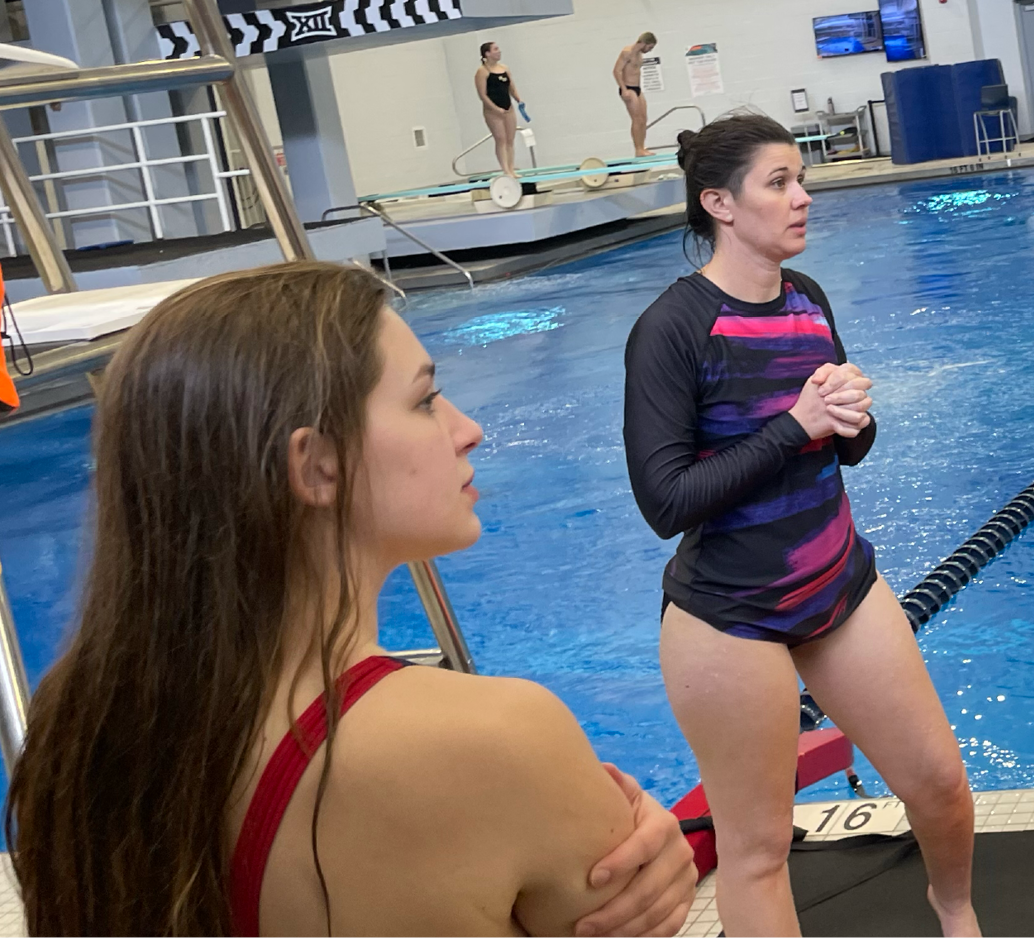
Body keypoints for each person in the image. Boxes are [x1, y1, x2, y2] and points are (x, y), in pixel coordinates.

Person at [5, 262, 697, 936]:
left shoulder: (79, 728)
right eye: (425, 400)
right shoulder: (494, 737)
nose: (467, 429)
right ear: (317, 465)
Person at [622, 114, 978, 937]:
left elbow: (844, 452)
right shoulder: (673, 330)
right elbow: (665, 501)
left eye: (801, 179)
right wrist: (797, 424)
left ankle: (955, 913)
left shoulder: (807, 300)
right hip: (729, 618)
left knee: (939, 784)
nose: (802, 197)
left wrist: (850, 420)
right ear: (719, 202)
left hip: (840, 587)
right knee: (758, 846)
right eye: (778, 182)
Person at [476, 42, 526, 178]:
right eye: (496, 49)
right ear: (487, 54)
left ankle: (511, 169)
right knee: (501, 139)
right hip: (492, 111)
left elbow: (512, 87)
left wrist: (518, 100)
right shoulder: (482, 71)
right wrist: (495, 108)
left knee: (510, 139)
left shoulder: (504, 68)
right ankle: (505, 171)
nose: (499, 51)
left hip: (508, 108)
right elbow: (482, 95)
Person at [613, 33, 660, 157]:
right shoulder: (627, 52)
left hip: (637, 88)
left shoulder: (639, 55)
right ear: (644, 43)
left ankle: (642, 147)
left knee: (644, 118)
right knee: (636, 119)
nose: (649, 51)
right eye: (649, 48)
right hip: (628, 88)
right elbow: (616, 71)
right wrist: (624, 89)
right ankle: (638, 149)